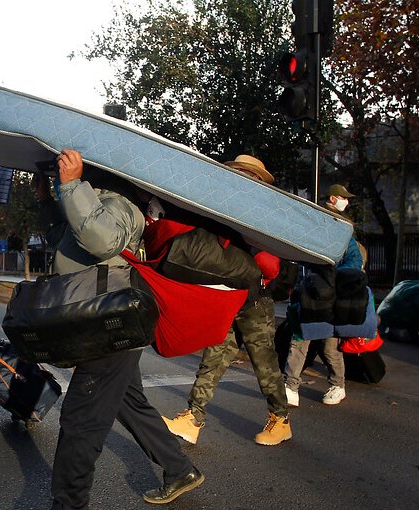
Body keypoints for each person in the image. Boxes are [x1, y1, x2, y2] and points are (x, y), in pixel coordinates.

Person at [39, 149, 202, 508]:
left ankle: (68, 503)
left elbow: (102, 241)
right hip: (110, 322)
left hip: (107, 326)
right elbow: (65, 240)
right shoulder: (94, 201)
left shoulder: (119, 202)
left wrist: (70, 186)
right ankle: (179, 470)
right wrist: (50, 197)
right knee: (129, 401)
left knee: (81, 419)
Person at [162, 155, 292, 446]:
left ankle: (280, 420)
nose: (238, 178)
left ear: (257, 181)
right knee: (214, 358)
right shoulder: (226, 209)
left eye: (244, 174)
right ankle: (193, 418)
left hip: (255, 301)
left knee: (264, 363)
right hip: (229, 296)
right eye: (235, 173)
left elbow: (270, 266)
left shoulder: (261, 214)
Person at [283, 183, 364, 407]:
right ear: (332, 198)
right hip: (317, 292)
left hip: (325, 292)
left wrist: (329, 276)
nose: (345, 201)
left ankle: (331, 385)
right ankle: (295, 386)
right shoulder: (335, 226)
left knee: (321, 343)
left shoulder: (342, 228)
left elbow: (354, 261)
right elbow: (354, 262)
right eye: (342, 197)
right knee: (306, 340)